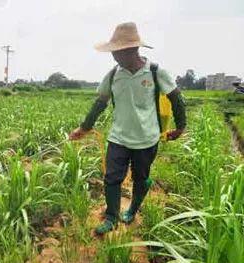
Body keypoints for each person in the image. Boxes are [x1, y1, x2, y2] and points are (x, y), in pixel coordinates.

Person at [69, 22, 187, 235]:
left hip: (147, 138)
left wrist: (180, 127)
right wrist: (84, 128)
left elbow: (176, 99)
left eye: (118, 52)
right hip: (119, 138)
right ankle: (112, 216)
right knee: (112, 178)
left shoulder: (155, 72)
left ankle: (132, 208)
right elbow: (100, 103)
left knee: (140, 178)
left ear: (132, 50)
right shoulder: (113, 75)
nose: (114, 56)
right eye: (113, 52)